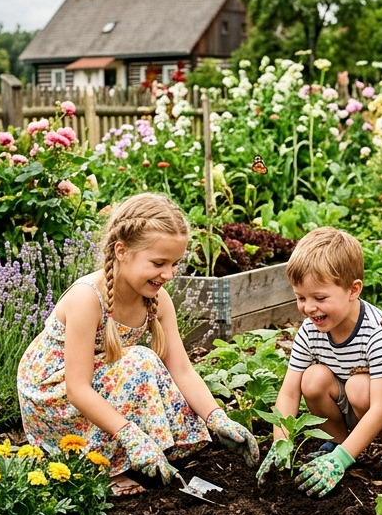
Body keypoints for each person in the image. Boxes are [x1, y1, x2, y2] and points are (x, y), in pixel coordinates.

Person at [17, 193, 259, 496]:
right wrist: (129, 434)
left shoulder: (158, 300)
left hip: (97, 379)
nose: (168, 274)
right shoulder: (87, 298)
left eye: (174, 263)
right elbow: (77, 388)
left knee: (151, 367)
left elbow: (182, 370)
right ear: (121, 250)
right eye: (158, 263)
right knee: (140, 362)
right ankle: (100, 469)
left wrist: (217, 418)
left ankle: (146, 454)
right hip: (53, 394)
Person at [256, 226, 382, 497]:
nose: (309, 307)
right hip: (357, 397)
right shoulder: (310, 329)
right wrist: (280, 444)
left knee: (360, 387)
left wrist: (342, 460)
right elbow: (289, 391)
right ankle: (338, 442)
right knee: (311, 378)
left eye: (320, 298)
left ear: (353, 290)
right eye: (301, 298)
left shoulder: (376, 331)